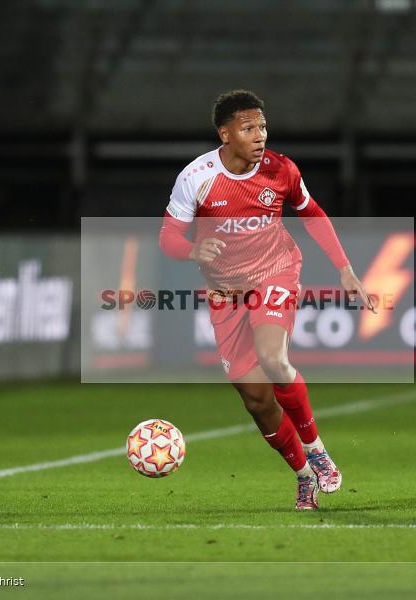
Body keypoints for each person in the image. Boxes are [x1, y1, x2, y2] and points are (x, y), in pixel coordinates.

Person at [158, 90, 374, 510]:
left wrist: (345, 268)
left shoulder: (281, 170)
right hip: (225, 292)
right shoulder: (196, 177)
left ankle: (316, 449)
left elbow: (312, 212)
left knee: (273, 359)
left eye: (262, 126)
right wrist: (191, 251)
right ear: (225, 134)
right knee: (256, 399)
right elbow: (168, 237)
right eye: (248, 128)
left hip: (275, 270)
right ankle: (303, 476)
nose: (260, 136)